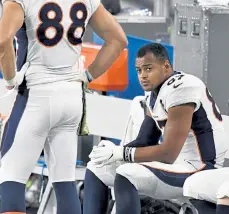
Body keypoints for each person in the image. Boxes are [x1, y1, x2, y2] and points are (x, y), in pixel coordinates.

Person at [0, 0, 128, 213]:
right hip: (72, 95)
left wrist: (11, 79)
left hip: (36, 93)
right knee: (64, 181)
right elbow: (118, 40)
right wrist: (88, 75)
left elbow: (2, 42)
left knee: (12, 177)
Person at [85, 43, 228, 214]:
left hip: (199, 166)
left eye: (148, 69)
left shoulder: (182, 89)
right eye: (139, 71)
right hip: (177, 164)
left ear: (166, 66)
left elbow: (168, 153)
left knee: (126, 174)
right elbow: (146, 139)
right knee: (97, 166)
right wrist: (113, 151)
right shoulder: (155, 91)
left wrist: (121, 153)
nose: (143, 76)